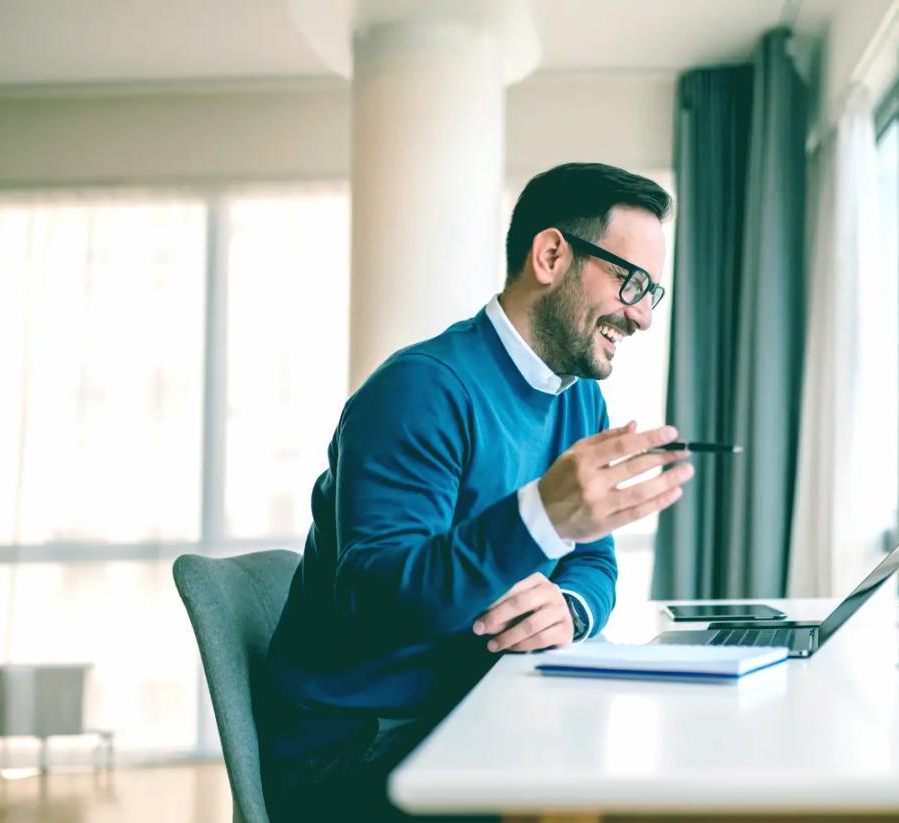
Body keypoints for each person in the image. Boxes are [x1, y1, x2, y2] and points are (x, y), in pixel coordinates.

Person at [263, 162, 694, 821]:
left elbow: (593, 562)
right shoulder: (419, 389)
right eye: (629, 282)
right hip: (362, 747)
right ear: (550, 254)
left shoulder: (581, 401)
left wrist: (571, 608)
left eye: (651, 293)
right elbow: (374, 599)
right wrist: (539, 518)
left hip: (476, 706)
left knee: (656, 769)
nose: (640, 316)